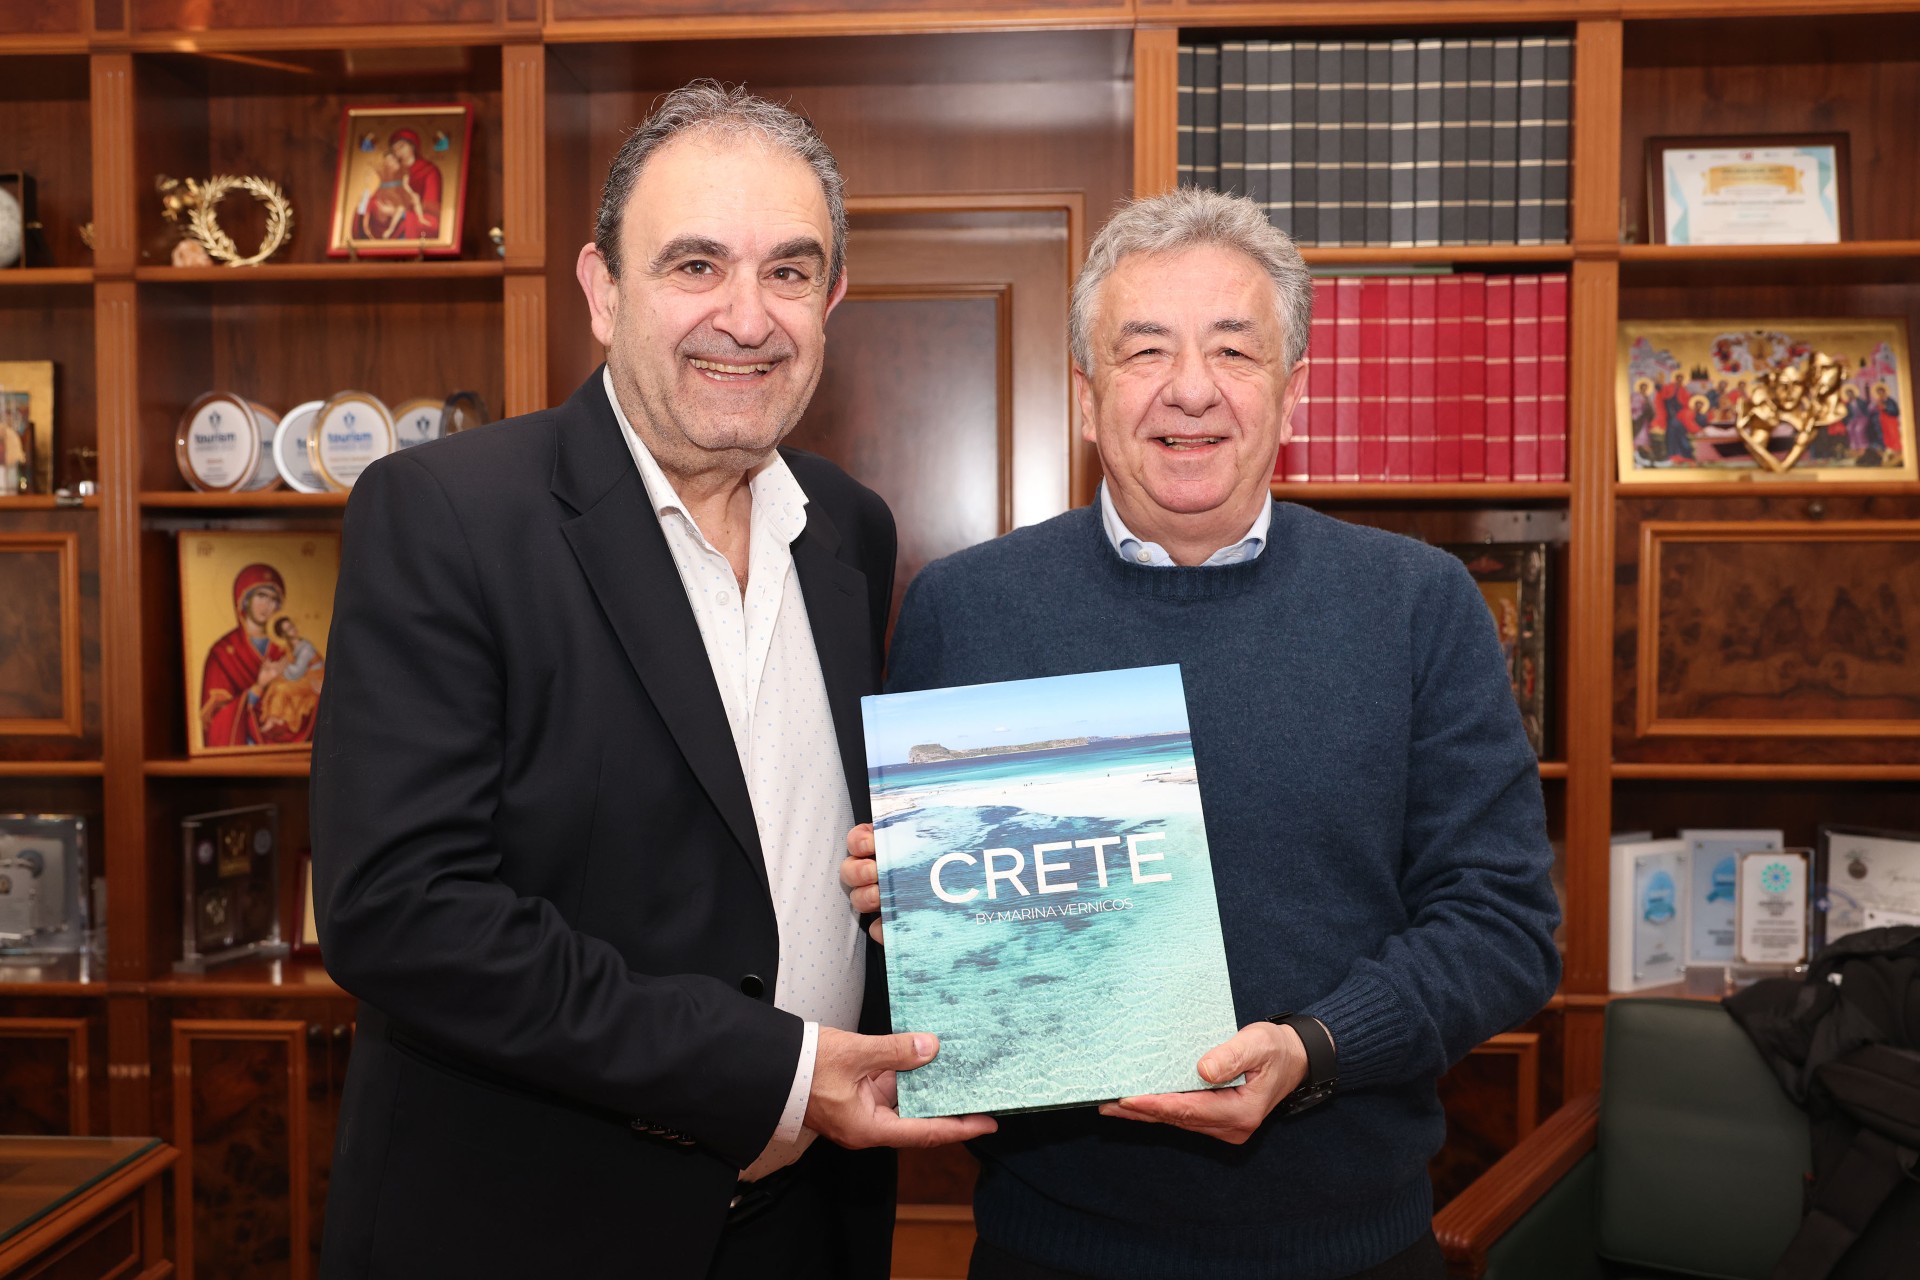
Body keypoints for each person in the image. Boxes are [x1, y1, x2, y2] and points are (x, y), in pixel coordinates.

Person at [312, 83, 991, 1280]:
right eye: (695, 264)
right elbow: (402, 910)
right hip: (536, 1228)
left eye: (789, 271)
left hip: (808, 1222)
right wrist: (777, 1069)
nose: (747, 316)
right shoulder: (447, 516)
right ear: (602, 290)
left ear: (832, 300)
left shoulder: (848, 528)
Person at [842, 188, 1560, 1280]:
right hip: (1052, 1250)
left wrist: (1315, 1049)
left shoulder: (1418, 605)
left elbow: (1505, 925)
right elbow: (930, 966)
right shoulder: (966, 608)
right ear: (1088, 398)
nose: (1191, 389)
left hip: (1352, 1250)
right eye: (1145, 351)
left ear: (1292, 394)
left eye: (1234, 350)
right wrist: (902, 905)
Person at [199, 563, 311, 749]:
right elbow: (213, 717)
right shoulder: (223, 652)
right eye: (261, 596)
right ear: (244, 600)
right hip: (245, 745)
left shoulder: (287, 648)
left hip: (289, 742)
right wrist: (259, 687)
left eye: (274, 599)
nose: (267, 605)